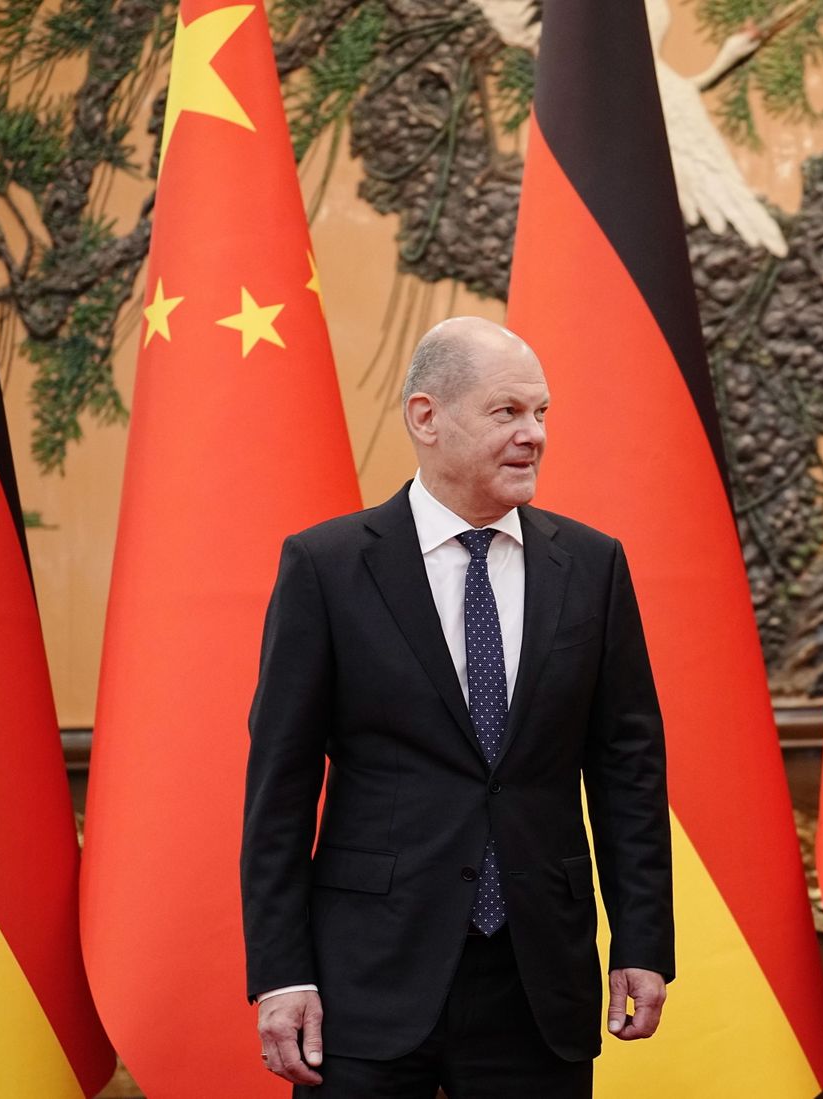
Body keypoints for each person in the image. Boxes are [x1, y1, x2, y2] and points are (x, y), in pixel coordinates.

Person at [241, 316, 673, 1096]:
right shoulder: (327, 566)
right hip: (370, 975)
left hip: (538, 977)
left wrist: (642, 940)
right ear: (426, 416)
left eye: (541, 412)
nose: (534, 434)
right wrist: (281, 971)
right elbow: (281, 787)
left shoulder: (592, 564)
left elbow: (628, 771)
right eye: (508, 411)